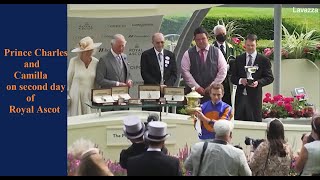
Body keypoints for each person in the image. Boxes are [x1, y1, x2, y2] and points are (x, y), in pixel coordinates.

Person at [231, 34, 274, 122]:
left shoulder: (263, 60)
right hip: (240, 99)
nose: (250, 48)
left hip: (254, 99)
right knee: (239, 123)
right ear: (244, 45)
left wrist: (258, 83)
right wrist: (240, 80)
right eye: (248, 45)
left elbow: (269, 77)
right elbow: (233, 78)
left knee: (254, 123)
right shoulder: (239, 59)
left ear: (256, 45)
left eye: (252, 45)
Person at [184, 120, 252, 176]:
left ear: (215, 132)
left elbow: (187, 166)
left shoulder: (198, 148)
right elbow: (247, 174)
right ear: (230, 134)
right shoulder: (238, 154)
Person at [181, 27, 227, 103]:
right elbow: (185, 72)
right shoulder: (188, 54)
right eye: (198, 40)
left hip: (213, 95)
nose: (201, 41)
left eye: (203, 38)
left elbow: (223, 70)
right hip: (194, 95)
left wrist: (212, 87)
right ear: (194, 40)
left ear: (207, 38)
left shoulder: (217, 52)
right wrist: (196, 87)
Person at [140, 32, 177, 112]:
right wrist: (158, 86)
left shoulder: (170, 55)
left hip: (166, 92)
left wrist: (166, 85)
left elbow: (174, 74)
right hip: (151, 92)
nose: (160, 44)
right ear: (153, 42)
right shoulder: (146, 55)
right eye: (157, 42)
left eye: (162, 42)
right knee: (150, 115)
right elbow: (144, 74)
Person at [67, 36, 102, 116]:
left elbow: (97, 82)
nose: (88, 52)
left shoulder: (96, 62)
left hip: (90, 97)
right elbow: (68, 81)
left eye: (90, 50)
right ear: (81, 52)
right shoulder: (74, 61)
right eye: (86, 51)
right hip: (76, 97)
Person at [212, 24, 235, 106]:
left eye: (223, 34)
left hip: (228, 81)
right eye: (219, 34)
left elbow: (233, 60)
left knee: (228, 103)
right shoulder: (212, 48)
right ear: (215, 35)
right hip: (217, 80)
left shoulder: (231, 47)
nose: (222, 36)